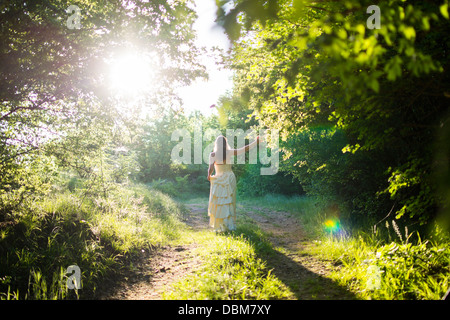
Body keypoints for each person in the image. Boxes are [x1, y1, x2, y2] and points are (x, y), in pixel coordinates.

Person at [207, 135, 261, 232]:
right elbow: (244, 149)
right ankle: (229, 225)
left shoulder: (213, 155)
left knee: (219, 202)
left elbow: (210, 168)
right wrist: (255, 142)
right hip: (229, 178)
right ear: (225, 144)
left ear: (216, 144)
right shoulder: (229, 152)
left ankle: (220, 226)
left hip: (218, 179)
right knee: (229, 201)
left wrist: (209, 175)